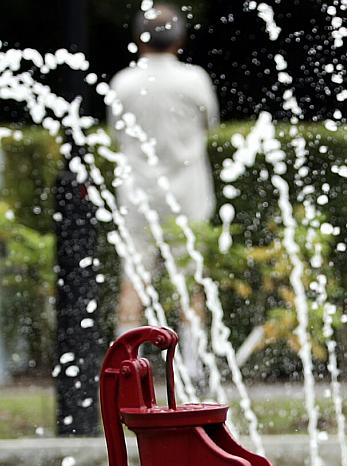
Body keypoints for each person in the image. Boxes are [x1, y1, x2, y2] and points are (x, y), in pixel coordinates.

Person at [107, 3, 219, 349]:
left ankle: (125, 366)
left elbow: (114, 134)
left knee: (134, 282)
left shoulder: (124, 82)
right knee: (190, 281)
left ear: (138, 40)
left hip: (137, 195)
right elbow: (210, 124)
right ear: (180, 40)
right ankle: (192, 363)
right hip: (188, 196)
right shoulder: (194, 79)